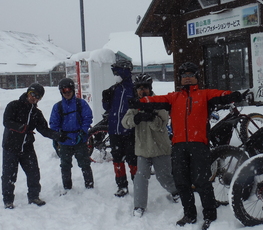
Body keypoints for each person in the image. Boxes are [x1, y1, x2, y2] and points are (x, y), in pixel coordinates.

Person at [134, 62, 241, 230]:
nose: (187, 78)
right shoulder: (174, 98)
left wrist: (234, 95)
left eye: (191, 75)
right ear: (180, 79)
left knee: (202, 182)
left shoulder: (205, 95)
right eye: (184, 76)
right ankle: (189, 214)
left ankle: (209, 215)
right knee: (182, 182)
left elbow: (222, 95)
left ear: (196, 77)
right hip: (178, 146)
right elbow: (156, 100)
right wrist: (140, 102)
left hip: (199, 145)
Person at [1, 83, 67, 209]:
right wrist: (21, 128)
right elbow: (7, 121)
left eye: (38, 97)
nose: (34, 98)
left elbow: (44, 129)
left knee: (34, 172)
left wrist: (58, 136)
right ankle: (8, 200)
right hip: (10, 146)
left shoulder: (36, 113)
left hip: (27, 147)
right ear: (28, 93)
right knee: (9, 175)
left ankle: (34, 196)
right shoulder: (13, 105)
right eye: (33, 95)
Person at [122, 73, 179, 217]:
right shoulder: (136, 104)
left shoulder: (158, 102)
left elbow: (161, 125)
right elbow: (125, 122)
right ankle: (139, 206)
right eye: (139, 88)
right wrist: (137, 118)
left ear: (150, 88)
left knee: (164, 176)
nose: (142, 91)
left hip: (160, 148)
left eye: (145, 88)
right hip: (143, 149)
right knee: (140, 177)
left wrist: (151, 117)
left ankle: (176, 192)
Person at [50, 78, 94, 193]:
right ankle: (67, 187)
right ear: (61, 92)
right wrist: (57, 136)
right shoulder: (58, 107)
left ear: (73, 90)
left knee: (84, 163)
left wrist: (83, 131)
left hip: (80, 139)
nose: (67, 93)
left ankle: (89, 186)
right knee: (65, 165)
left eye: (69, 90)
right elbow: (53, 123)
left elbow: (87, 117)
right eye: (64, 91)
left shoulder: (81, 104)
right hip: (65, 141)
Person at [102, 59, 137, 197]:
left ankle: (137, 184)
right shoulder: (114, 89)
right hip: (114, 130)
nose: (115, 75)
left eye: (117, 72)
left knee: (132, 159)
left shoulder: (133, 89)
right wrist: (105, 98)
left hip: (129, 131)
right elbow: (107, 108)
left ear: (124, 72)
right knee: (117, 159)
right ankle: (121, 185)